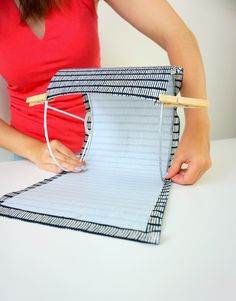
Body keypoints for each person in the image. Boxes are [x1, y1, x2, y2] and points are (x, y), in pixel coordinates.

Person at [0, 0, 211, 184]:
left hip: (109, 153)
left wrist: (198, 127)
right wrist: (34, 150)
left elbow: (175, 32)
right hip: (33, 166)